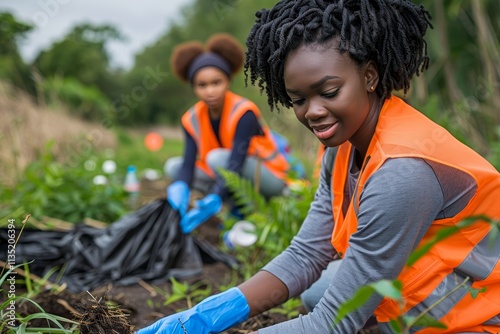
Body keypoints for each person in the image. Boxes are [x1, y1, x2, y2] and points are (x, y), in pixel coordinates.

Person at [138, 0, 500, 333]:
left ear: (369, 76)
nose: (312, 112)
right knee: (319, 289)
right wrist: (208, 314)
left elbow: (332, 324)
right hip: (430, 279)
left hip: (481, 308)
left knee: (332, 303)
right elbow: (306, 254)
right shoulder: (341, 149)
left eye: (329, 92)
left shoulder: (402, 172)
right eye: (298, 99)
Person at [164, 33, 291, 233]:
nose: (210, 91)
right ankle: (235, 204)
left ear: (228, 81)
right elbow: (188, 163)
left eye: (216, 83)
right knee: (174, 168)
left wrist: (215, 197)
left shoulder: (244, 112)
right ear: (194, 87)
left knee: (216, 159)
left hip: (270, 178)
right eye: (202, 85)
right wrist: (181, 186)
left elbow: (235, 163)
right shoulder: (191, 119)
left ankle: (239, 205)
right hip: (230, 175)